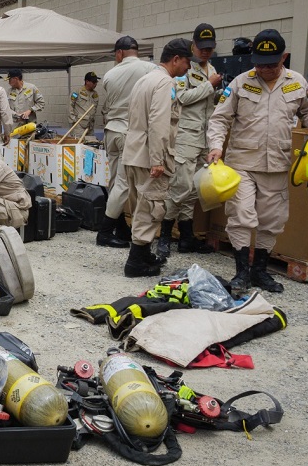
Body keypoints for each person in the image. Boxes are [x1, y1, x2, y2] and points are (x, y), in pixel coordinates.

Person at [207, 29, 308, 293]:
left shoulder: (297, 82)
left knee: (272, 220)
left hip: (278, 164)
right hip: (242, 163)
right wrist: (215, 147)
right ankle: (241, 273)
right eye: (259, 63)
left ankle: (260, 272)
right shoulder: (239, 83)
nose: (264, 69)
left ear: (284, 57)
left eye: (271, 64)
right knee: (241, 216)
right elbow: (219, 118)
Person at [123, 39, 193, 277]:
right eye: (187, 61)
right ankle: (136, 263)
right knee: (151, 207)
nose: (189, 68)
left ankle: (142, 255)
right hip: (148, 155)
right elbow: (159, 123)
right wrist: (157, 160)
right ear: (175, 59)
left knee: (140, 205)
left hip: (134, 152)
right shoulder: (165, 82)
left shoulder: (145, 79)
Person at [158, 24, 223, 257]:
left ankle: (186, 236)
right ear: (193, 45)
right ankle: (164, 234)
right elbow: (182, 98)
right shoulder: (186, 68)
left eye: (209, 48)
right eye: (201, 47)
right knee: (181, 186)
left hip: (204, 138)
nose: (205, 52)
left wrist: (217, 93)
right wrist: (209, 86)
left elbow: (208, 104)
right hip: (186, 136)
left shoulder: (212, 69)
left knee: (195, 189)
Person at [96, 35, 159, 248]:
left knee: (115, 182)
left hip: (111, 132)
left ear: (119, 53)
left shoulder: (109, 75)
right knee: (124, 185)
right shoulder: (150, 70)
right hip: (129, 132)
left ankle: (121, 227)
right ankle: (104, 232)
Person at [69, 72, 99, 139]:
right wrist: (73, 120)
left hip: (90, 126)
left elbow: (95, 108)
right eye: (94, 82)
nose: (95, 84)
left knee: (89, 145)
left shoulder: (95, 94)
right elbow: (70, 105)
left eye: (96, 82)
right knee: (79, 145)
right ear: (87, 81)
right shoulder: (77, 92)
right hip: (79, 126)